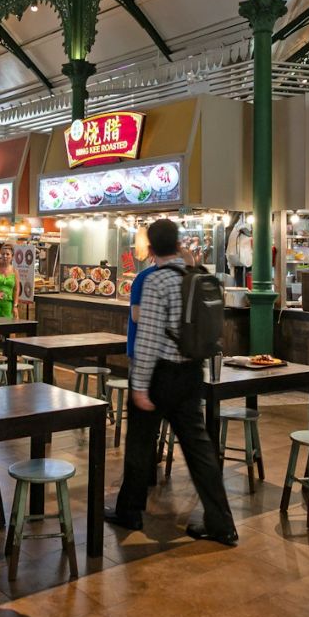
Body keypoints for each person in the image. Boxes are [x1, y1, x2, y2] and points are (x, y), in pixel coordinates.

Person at [106, 218, 238, 545]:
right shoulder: (195, 277)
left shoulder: (156, 281)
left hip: (160, 375)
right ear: (179, 245)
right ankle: (221, 523)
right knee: (199, 450)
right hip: (193, 372)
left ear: (150, 249)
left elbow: (148, 337)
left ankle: (130, 511)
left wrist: (139, 385)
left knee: (139, 444)